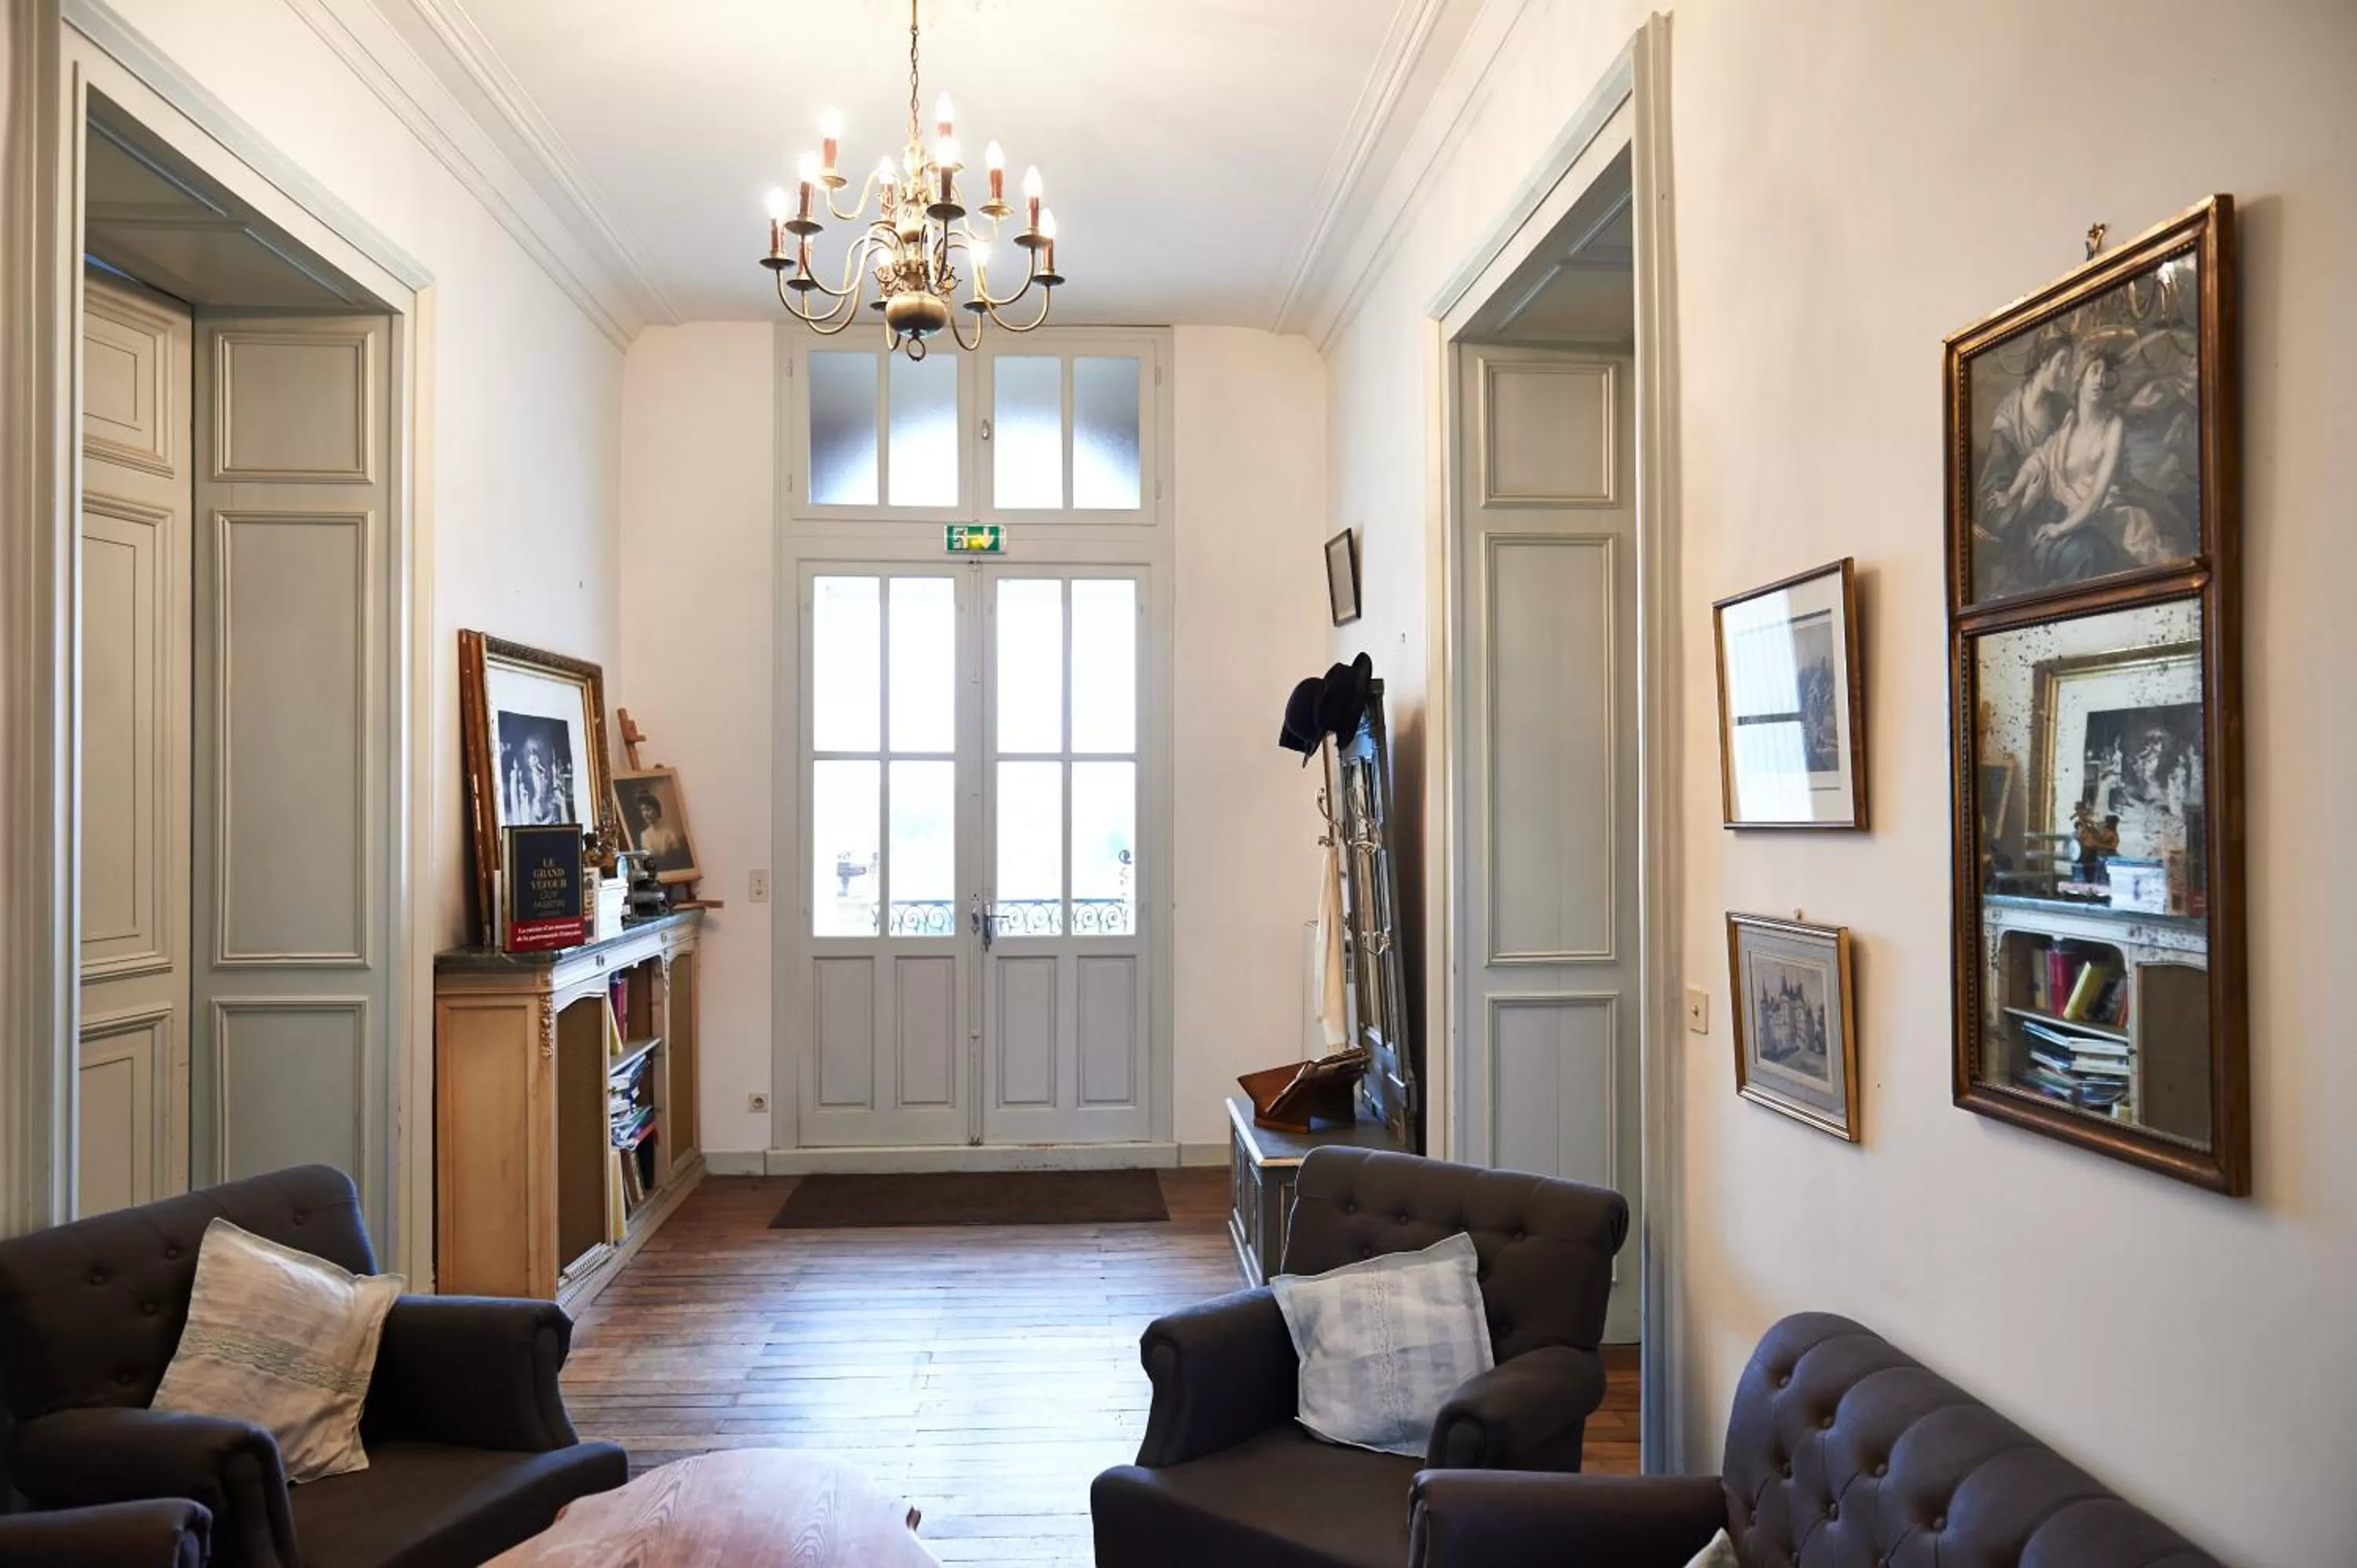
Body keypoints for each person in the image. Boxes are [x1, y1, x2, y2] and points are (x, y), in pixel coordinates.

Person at [633, 790, 690, 872]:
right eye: (643, 810)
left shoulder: (669, 834)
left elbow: (677, 861)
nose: (645, 814)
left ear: (657, 810)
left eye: (648, 809)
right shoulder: (643, 835)